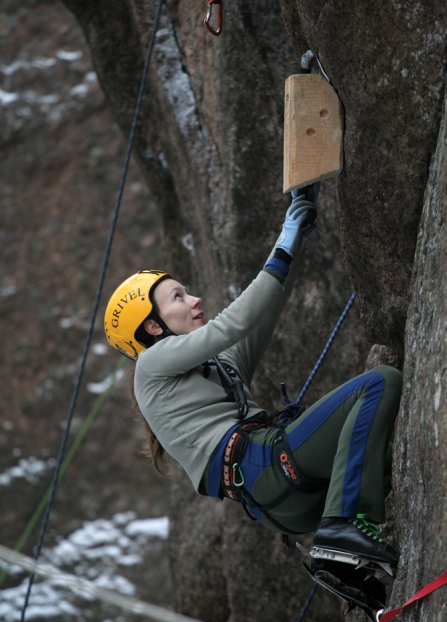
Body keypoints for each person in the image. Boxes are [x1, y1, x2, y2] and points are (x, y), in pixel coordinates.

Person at [104, 186, 402, 575]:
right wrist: (283, 241)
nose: (194, 300)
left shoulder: (214, 368)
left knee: (387, 459)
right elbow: (235, 322)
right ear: (152, 327)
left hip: (278, 497)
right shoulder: (151, 366)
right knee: (377, 383)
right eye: (178, 297)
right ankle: (339, 528)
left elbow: (263, 312)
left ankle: (347, 552)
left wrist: (296, 243)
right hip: (264, 465)